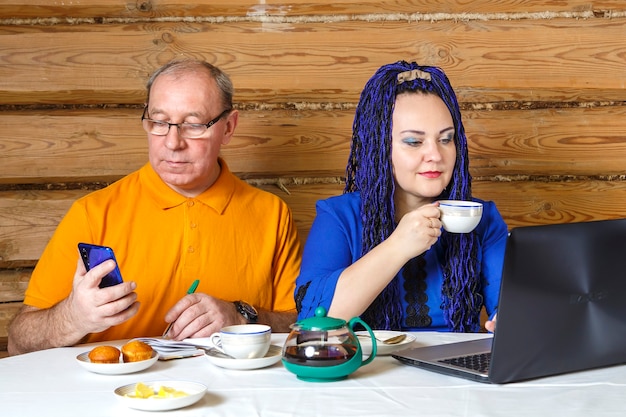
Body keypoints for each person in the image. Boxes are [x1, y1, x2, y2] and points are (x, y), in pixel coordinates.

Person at [8, 59, 302, 355]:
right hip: (118, 394)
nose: (173, 143)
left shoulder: (271, 213)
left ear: (228, 127)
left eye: (193, 125)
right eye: (160, 122)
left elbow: (300, 323)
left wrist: (241, 315)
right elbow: (18, 343)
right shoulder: (93, 213)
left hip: (237, 394)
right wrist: (72, 318)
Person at [294, 61, 507, 333]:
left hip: (460, 371)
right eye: (413, 141)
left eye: (446, 139)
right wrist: (398, 246)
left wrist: (510, 320)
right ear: (380, 148)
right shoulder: (339, 217)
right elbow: (313, 318)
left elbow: (507, 307)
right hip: (368, 370)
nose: (435, 155)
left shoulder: (483, 218)